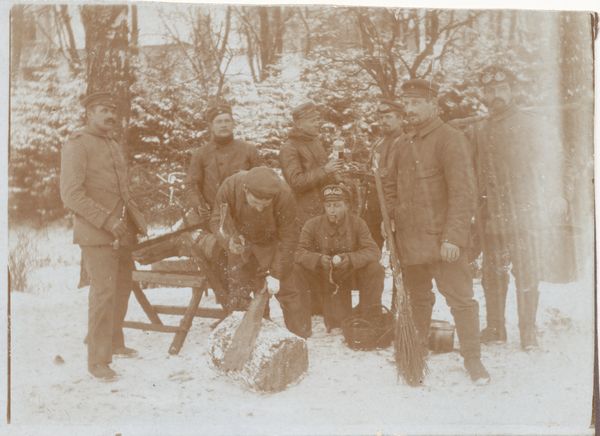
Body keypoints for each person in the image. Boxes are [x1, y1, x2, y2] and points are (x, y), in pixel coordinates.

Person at [384, 79, 490, 385]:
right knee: (418, 298)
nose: (410, 108)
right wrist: (388, 218)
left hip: (444, 243)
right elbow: (390, 186)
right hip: (411, 242)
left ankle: (473, 359)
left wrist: (454, 238)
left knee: (461, 300)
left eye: (417, 102)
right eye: (407, 102)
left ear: (434, 104)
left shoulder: (450, 139)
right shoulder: (403, 143)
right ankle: (416, 350)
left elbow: (464, 193)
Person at [470, 65, 569, 349]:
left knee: (526, 273)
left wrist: (560, 193)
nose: (496, 95)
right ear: (484, 95)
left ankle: (528, 333)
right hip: (491, 216)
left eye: (501, 89)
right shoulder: (479, 128)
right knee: (492, 274)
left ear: (512, 90)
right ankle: (495, 328)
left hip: (526, 214)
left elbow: (558, 162)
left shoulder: (532, 123)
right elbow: (470, 171)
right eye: (490, 91)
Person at [61, 92, 148, 380]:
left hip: (122, 232)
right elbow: (72, 194)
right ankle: (97, 361)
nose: (111, 115)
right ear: (89, 113)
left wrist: (134, 220)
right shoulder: (77, 144)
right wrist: (107, 220)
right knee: (103, 293)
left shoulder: (112, 143)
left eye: (113, 110)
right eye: (103, 110)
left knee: (122, 288)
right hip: (97, 234)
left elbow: (121, 191)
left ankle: (114, 342)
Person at [209, 167, 311, 339]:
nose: (259, 209)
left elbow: (289, 237)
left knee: (287, 293)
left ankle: (300, 338)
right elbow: (217, 220)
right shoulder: (230, 187)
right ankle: (253, 338)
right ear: (245, 190)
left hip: (274, 245)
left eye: (265, 205)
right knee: (239, 295)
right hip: (241, 244)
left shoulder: (284, 194)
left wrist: (276, 273)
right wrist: (229, 241)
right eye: (255, 203)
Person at [184, 104, 263, 311]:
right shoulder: (201, 153)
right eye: (219, 121)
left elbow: (262, 181)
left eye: (227, 120)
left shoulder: (248, 150)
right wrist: (198, 205)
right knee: (220, 258)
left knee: (253, 261)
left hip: (248, 217)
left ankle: (260, 313)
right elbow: (192, 185)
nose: (224, 125)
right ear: (211, 126)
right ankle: (230, 311)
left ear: (233, 123)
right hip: (215, 219)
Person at [293, 184, 384, 332]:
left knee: (375, 268)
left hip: (349, 274)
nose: (332, 210)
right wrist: (318, 260)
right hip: (322, 275)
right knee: (296, 269)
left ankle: (370, 323)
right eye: (328, 205)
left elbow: (374, 252)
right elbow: (297, 252)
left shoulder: (358, 224)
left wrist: (350, 258)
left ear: (346, 206)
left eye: (337, 205)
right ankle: (301, 327)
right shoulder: (312, 224)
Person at [279, 101, 343, 315]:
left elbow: (324, 173)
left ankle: (324, 309)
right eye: (312, 120)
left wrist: (337, 177)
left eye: (318, 119)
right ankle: (309, 309)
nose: (318, 124)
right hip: (303, 214)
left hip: (323, 211)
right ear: (298, 124)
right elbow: (296, 181)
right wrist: (325, 171)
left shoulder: (316, 142)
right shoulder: (289, 148)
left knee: (325, 257)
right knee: (307, 262)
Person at [363, 99, 406, 249]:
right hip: (374, 203)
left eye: (388, 117)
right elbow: (371, 169)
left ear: (400, 119)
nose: (383, 121)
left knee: (399, 247)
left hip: (396, 202)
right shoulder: (378, 143)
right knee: (371, 246)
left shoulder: (407, 142)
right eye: (381, 118)